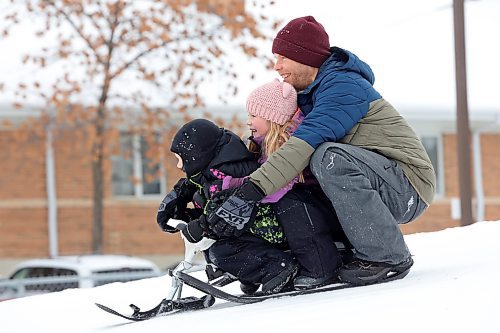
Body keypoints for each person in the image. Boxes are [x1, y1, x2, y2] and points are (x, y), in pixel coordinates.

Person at [206, 16, 436, 286]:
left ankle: (388, 257)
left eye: (283, 58)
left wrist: (250, 193)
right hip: (378, 180)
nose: (277, 66)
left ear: (304, 57)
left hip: (407, 186)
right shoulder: (309, 95)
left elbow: (304, 143)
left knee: (327, 157)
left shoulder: (343, 88)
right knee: (307, 180)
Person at [207, 80, 344, 293]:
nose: (248, 121)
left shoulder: (291, 143)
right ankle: (268, 266)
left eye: (254, 115)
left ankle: (321, 266)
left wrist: (239, 193)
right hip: (303, 219)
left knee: (289, 202)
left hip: (321, 214)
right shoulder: (262, 144)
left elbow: (277, 186)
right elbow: (258, 176)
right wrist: (226, 187)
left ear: (274, 118)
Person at [156, 118, 298, 294]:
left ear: (198, 155)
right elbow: (210, 206)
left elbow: (225, 214)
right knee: (212, 244)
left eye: (181, 160)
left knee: (221, 250)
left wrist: (200, 225)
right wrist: (178, 205)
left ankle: (276, 267)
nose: (179, 166)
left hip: (268, 228)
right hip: (249, 228)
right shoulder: (213, 170)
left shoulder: (227, 175)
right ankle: (252, 274)